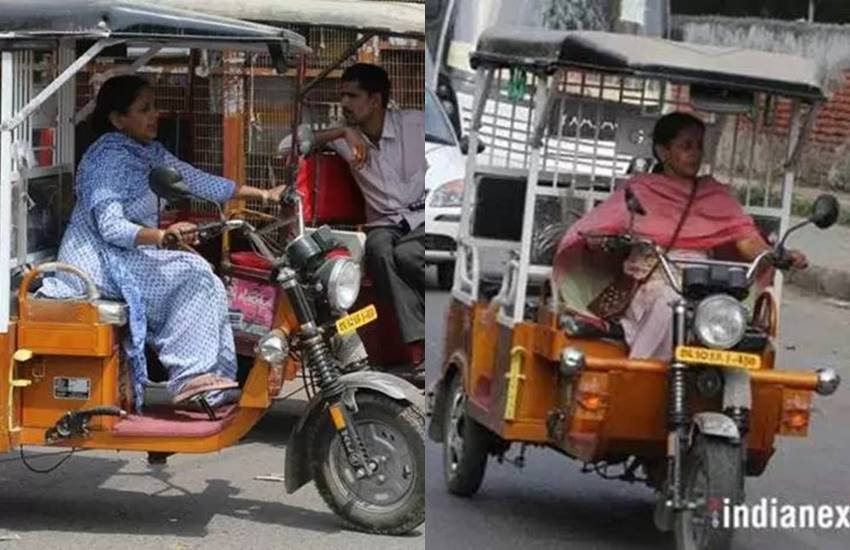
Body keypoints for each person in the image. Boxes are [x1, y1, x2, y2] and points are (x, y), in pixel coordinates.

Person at [39, 75, 285, 411]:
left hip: (128, 254)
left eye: (154, 107)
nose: (155, 115)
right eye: (145, 109)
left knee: (205, 275)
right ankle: (190, 378)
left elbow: (196, 180)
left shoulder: (149, 153)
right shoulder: (107, 160)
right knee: (191, 276)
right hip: (96, 261)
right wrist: (162, 237)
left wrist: (264, 195)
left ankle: (213, 380)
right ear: (117, 119)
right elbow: (110, 227)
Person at [553, 112, 807, 361]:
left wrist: (777, 256)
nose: (695, 154)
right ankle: (637, 373)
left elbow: (748, 241)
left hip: (704, 289)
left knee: (734, 323)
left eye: (698, 146)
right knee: (670, 302)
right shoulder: (641, 189)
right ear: (664, 152)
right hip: (650, 285)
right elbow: (602, 226)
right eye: (686, 146)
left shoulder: (715, 195)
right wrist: (603, 239)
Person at [305, 63, 426, 383]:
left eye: (352, 96)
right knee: (380, 250)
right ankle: (417, 352)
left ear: (375, 100)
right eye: (342, 95)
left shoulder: (414, 124)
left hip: (425, 218)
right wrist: (341, 131)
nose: (344, 103)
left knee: (409, 255)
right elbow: (289, 144)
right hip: (383, 224)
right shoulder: (344, 136)